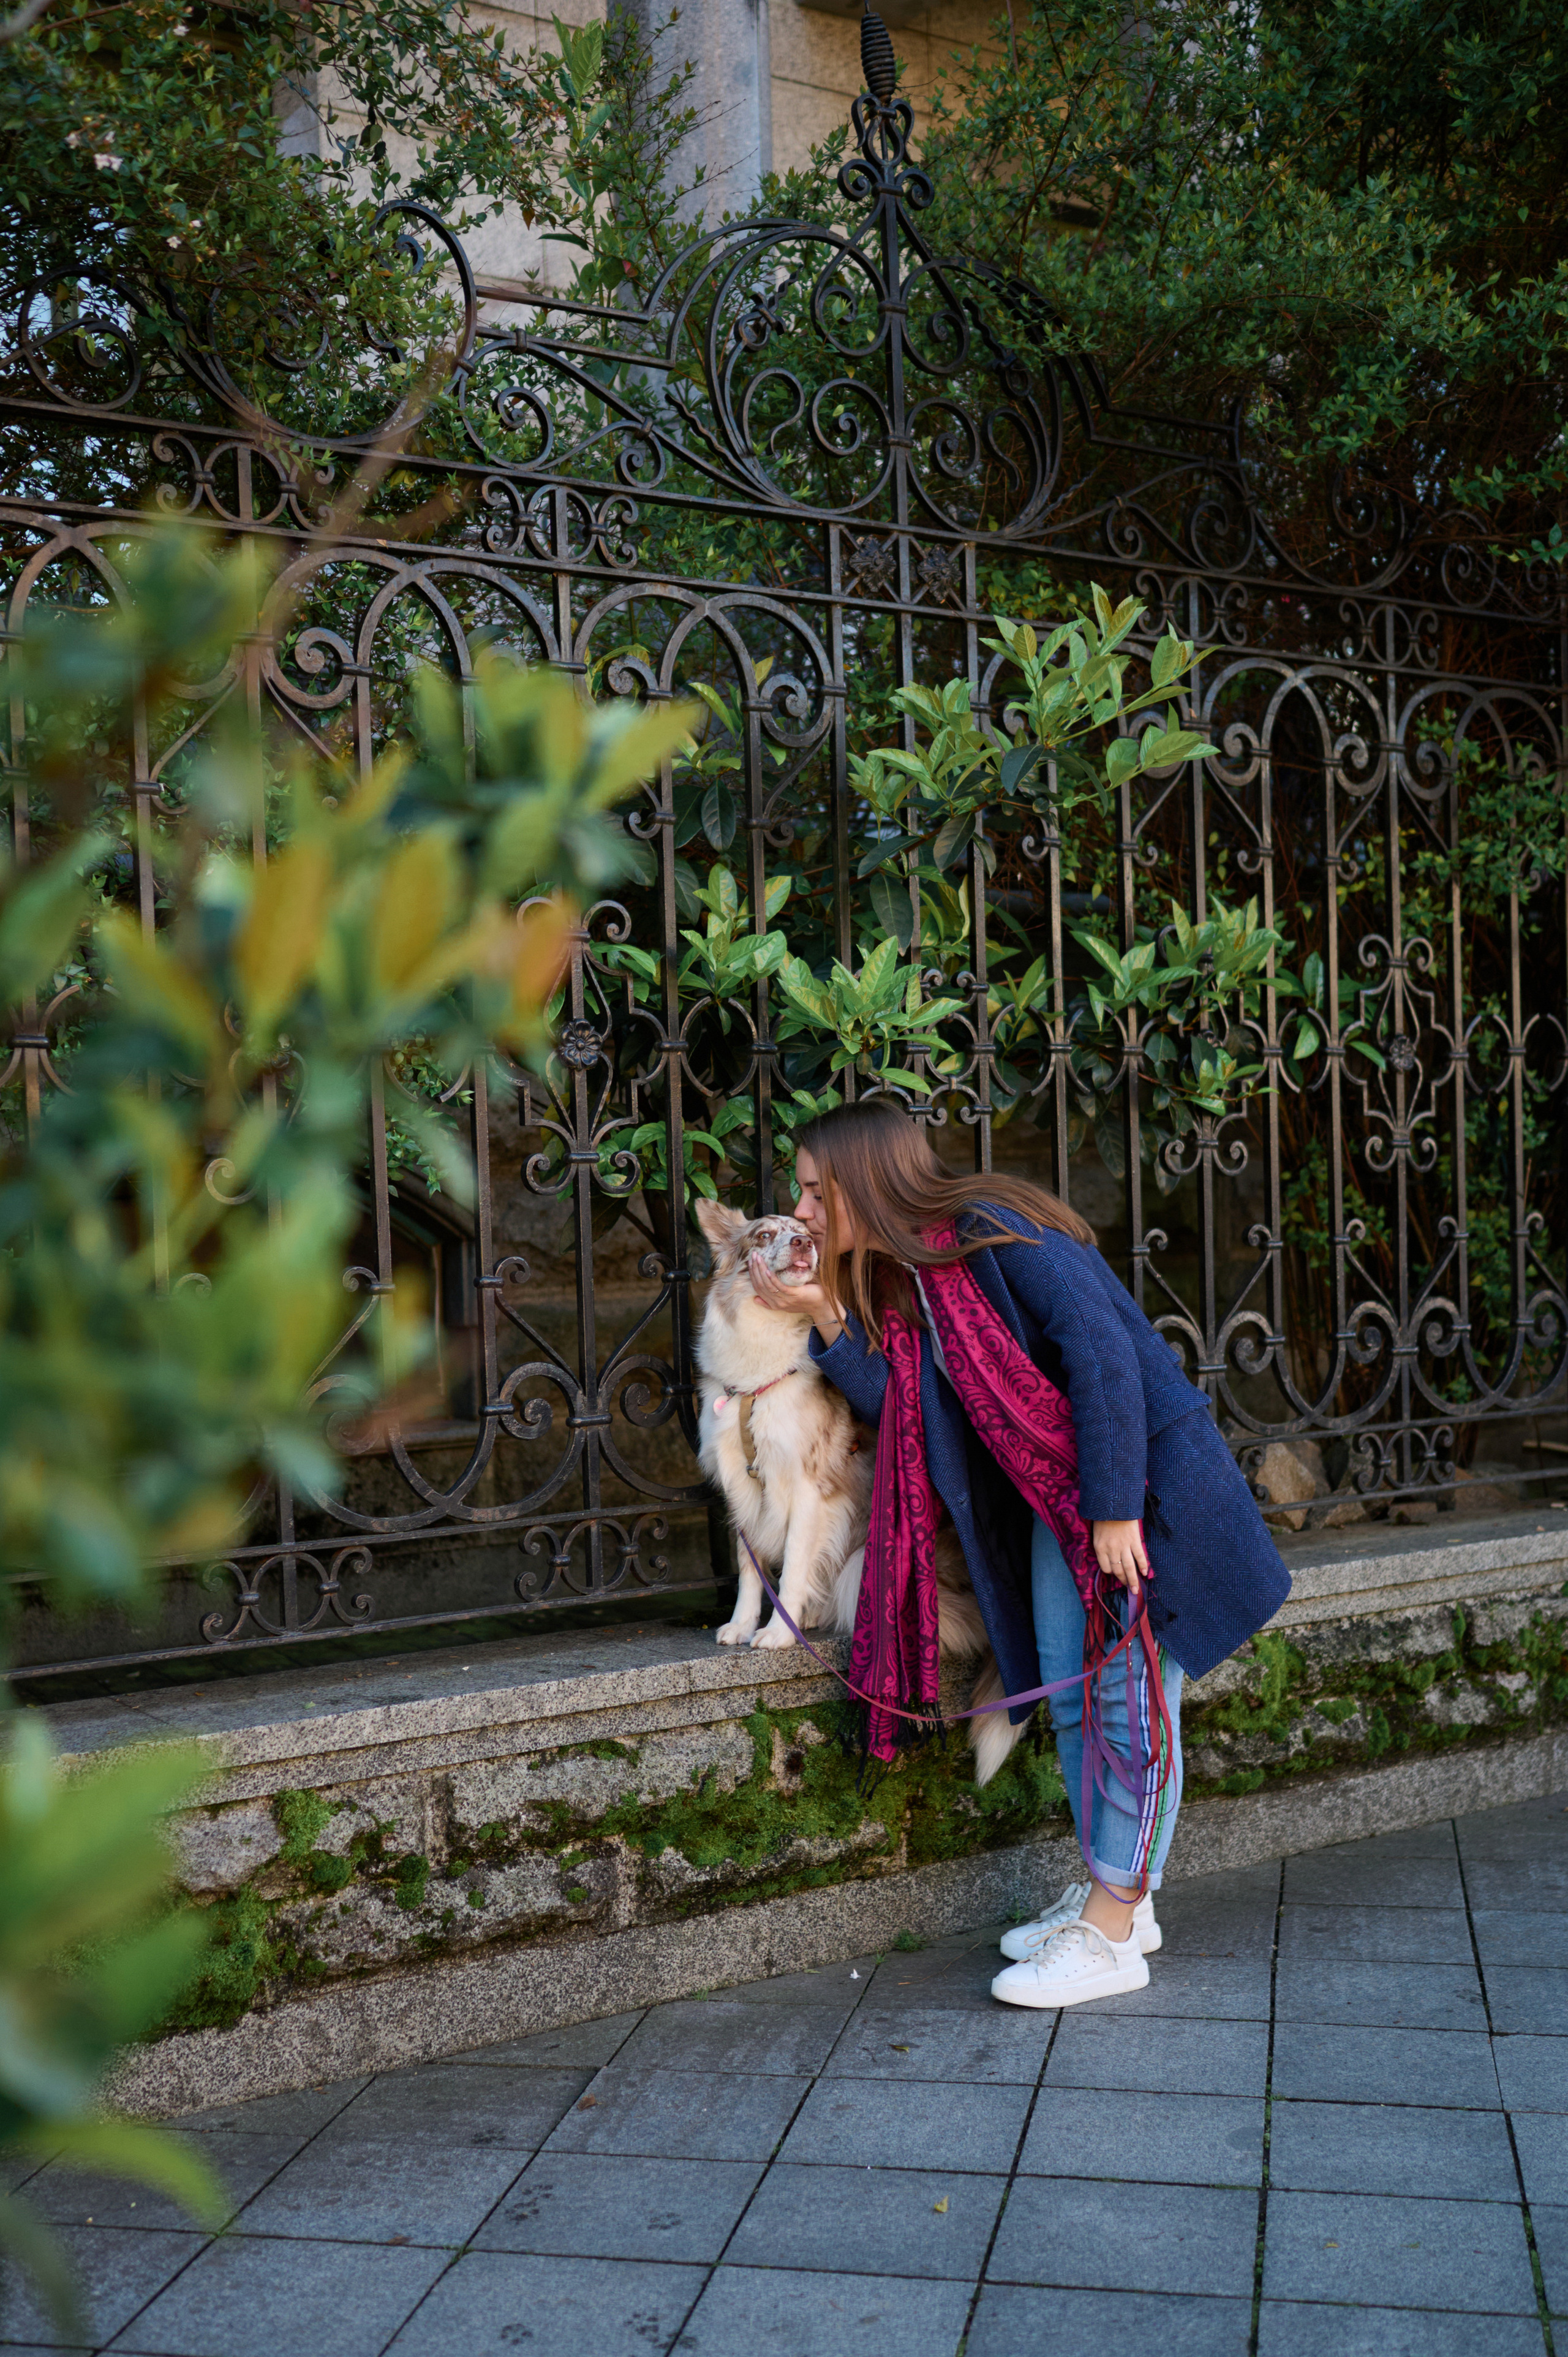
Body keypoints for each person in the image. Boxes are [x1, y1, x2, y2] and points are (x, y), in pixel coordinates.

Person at [749, 1100, 1290, 2010]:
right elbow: (905, 1408)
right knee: (1077, 1702)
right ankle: (1123, 1903)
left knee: (1129, 1707)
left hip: (1133, 1494)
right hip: (1054, 1504)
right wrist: (826, 1314)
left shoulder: (996, 1232)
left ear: (866, 1183)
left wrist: (1114, 1508)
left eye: (814, 1191)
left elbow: (1104, 1357)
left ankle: (1111, 1935)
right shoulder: (904, 1276)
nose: (802, 1211)